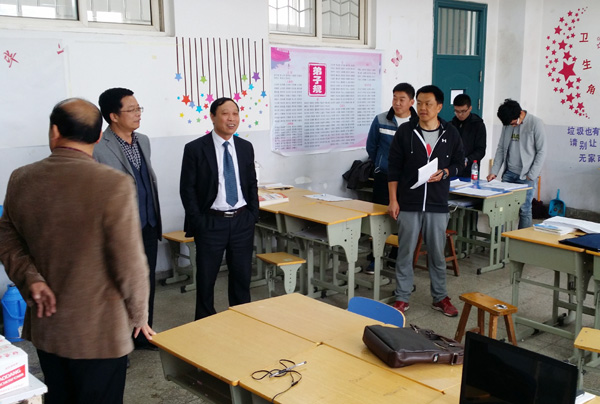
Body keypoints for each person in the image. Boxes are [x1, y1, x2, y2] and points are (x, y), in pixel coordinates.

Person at [0, 98, 154, 404]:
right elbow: (129, 263)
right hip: (100, 331)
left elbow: (6, 237)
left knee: (59, 395)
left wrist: (31, 279)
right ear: (98, 137)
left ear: (55, 131)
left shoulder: (22, 178)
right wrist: (139, 316)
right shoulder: (113, 184)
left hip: (48, 324)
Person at [387, 85, 465, 316]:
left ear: (439, 107)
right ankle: (402, 297)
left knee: (437, 254)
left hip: (437, 204)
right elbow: (393, 168)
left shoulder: (450, 133)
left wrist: (446, 172)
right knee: (405, 252)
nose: (422, 108)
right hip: (409, 202)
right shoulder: (406, 132)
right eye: (419, 103)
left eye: (428, 104)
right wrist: (393, 200)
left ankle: (440, 297)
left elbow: (460, 163)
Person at [94, 88, 162, 350]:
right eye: (131, 110)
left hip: (148, 224)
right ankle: (120, 342)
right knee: (121, 285)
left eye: (138, 109)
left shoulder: (143, 140)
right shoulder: (99, 146)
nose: (138, 114)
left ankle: (143, 333)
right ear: (113, 116)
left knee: (146, 281)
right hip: (121, 230)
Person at [180, 97, 259, 320]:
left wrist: (253, 214)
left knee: (242, 276)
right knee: (206, 278)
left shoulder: (245, 147)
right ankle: (205, 321)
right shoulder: (195, 148)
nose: (231, 118)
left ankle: (241, 318)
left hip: (242, 220)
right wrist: (199, 221)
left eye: (235, 113)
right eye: (225, 113)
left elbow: (251, 183)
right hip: (211, 222)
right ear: (213, 117)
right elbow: (187, 189)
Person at [364, 83, 417, 273]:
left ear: (411, 102)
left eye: (402, 99)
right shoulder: (381, 119)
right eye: (395, 98)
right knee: (379, 218)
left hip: (408, 180)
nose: (397, 103)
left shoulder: (418, 122)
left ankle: (395, 257)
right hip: (384, 177)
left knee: (402, 219)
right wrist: (381, 163)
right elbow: (371, 146)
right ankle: (375, 257)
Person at [486, 99, 546, 229]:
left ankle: (521, 239)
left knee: (524, 209)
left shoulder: (535, 123)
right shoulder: (507, 124)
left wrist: (532, 175)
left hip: (527, 176)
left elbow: (542, 151)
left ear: (520, 113)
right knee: (501, 208)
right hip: (509, 173)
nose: (512, 126)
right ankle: (498, 238)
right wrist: (494, 172)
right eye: (510, 124)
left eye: (513, 123)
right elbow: (501, 148)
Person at [451, 94, 486, 178]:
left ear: (470, 108)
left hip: (470, 169)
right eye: (456, 111)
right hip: (453, 168)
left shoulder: (478, 125)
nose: (460, 114)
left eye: (463, 111)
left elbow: (481, 150)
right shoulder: (451, 125)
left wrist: (468, 160)